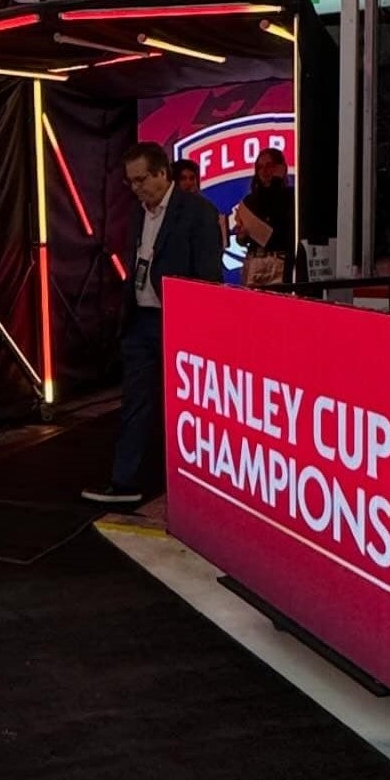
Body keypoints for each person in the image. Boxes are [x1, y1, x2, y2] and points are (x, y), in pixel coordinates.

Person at [83, 142, 223, 507]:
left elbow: (208, 276)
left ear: (163, 173)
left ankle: (197, 484)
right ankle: (124, 479)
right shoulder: (137, 215)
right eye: (130, 182)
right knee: (136, 402)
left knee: (188, 406)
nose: (136, 188)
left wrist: (197, 325)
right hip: (141, 320)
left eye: (142, 179)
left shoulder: (198, 212)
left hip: (179, 322)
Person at [234, 147, 295, 287]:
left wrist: (276, 182)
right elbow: (241, 239)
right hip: (254, 261)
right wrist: (242, 236)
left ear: (281, 168)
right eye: (260, 167)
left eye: (269, 165)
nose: (264, 171)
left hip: (279, 262)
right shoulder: (250, 200)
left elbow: (280, 227)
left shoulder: (291, 196)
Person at [172, 157, 229, 249]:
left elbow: (216, 243)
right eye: (183, 178)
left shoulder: (207, 208)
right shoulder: (168, 209)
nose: (188, 182)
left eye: (192, 178)